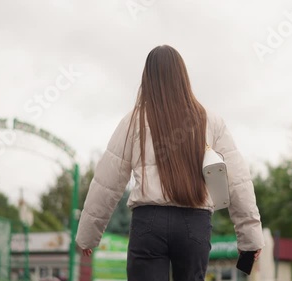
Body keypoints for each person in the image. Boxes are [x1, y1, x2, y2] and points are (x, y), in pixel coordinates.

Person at [76, 45, 264, 281]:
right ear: (182, 77)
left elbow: (107, 182)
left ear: (148, 79)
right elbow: (238, 180)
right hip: (194, 225)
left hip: (148, 224)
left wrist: (87, 235)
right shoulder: (210, 120)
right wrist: (250, 238)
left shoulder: (133, 120)